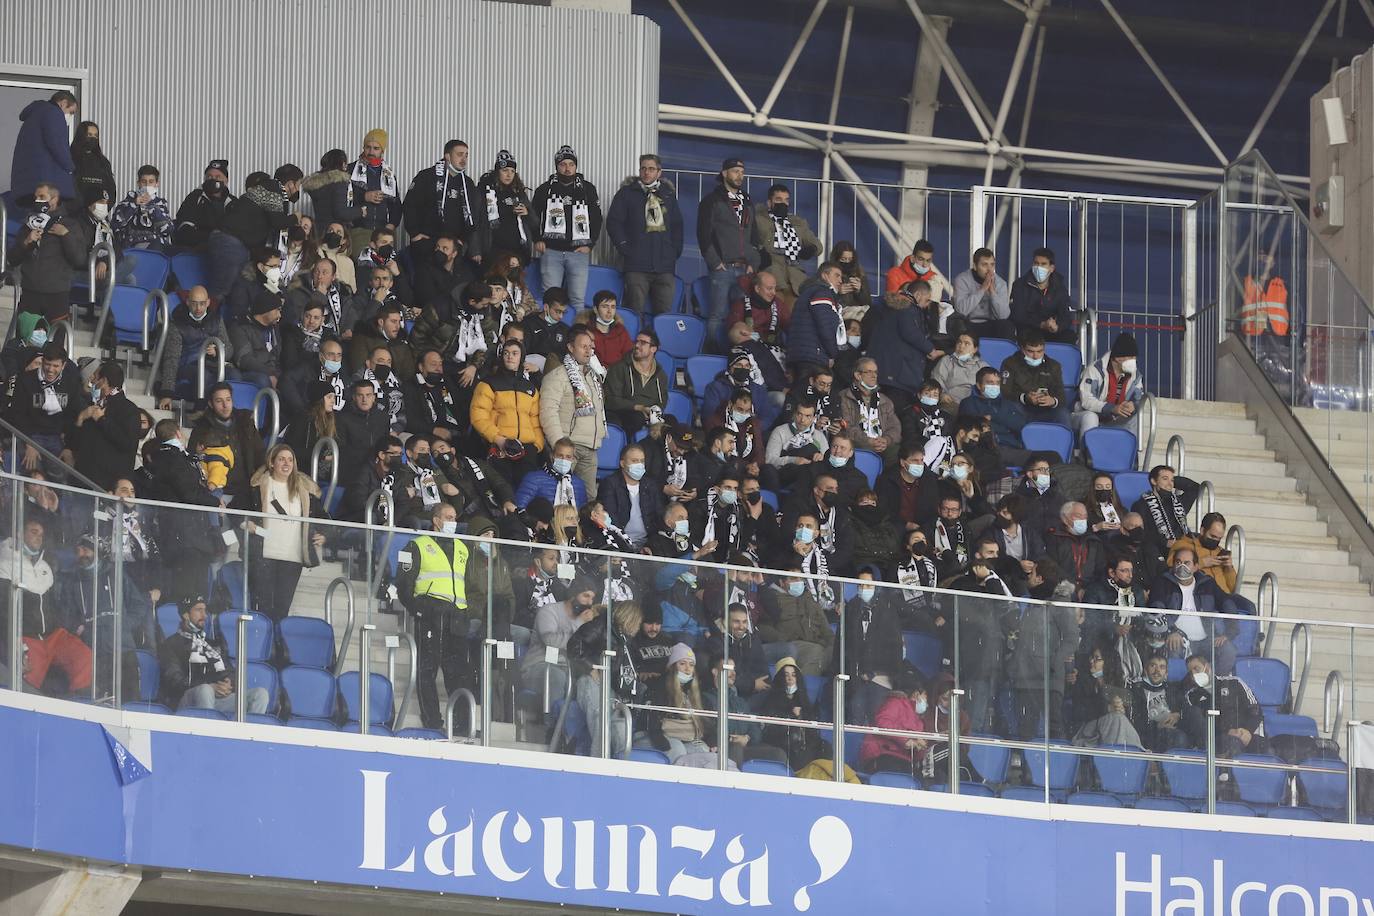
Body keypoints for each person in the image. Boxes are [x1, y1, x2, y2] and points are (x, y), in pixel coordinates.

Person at [394, 503, 473, 730]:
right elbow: (403, 582)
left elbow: (467, 582)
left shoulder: (462, 548)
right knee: (428, 669)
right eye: (448, 517)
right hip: (431, 613)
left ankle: (461, 723)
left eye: (455, 517)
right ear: (436, 521)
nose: (453, 521)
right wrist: (419, 609)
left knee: (457, 673)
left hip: (457, 615)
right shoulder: (417, 544)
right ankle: (432, 721)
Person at [2, 516, 90, 694]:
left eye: (41, 534)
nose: (38, 537)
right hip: (26, 637)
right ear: (19, 534)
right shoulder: (5, 565)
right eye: (34, 532)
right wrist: (16, 644)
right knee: (26, 679)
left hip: (53, 635)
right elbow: (4, 613)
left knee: (84, 657)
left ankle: (79, 709)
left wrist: (73, 625)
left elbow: (55, 608)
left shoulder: (45, 567)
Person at [246, 444, 326, 621]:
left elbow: (325, 518)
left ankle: (277, 647)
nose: (286, 463)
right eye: (281, 459)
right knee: (263, 609)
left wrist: (324, 534)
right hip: (263, 556)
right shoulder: (257, 486)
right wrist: (247, 525)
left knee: (282, 610)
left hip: (292, 558)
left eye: (290, 460)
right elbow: (237, 513)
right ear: (272, 462)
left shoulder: (305, 490)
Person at [947, 536, 1015, 733]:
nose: (993, 558)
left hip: (990, 660)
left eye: (996, 554)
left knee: (984, 713)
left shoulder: (997, 581)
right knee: (970, 715)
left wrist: (991, 579)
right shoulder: (961, 584)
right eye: (989, 553)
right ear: (977, 557)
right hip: (968, 660)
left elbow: (1005, 608)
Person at [159, 596, 268, 715]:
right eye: (198, 610)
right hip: (186, 701)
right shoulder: (171, 644)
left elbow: (230, 672)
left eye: (204, 610)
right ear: (185, 615)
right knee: (205, 690)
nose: (204, 615)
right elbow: (175, 682)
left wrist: (228, 684)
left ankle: (248, 733)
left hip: (217, 699)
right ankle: (206, 731)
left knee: (260, 694)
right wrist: (211, 686)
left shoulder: (212, 643)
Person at [606, 154, 684, 317]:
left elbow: (677, 225)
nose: (646, 172)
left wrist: (674, 251)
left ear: (659, 172)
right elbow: (614, 222)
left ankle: (659, 344)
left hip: (664, 266)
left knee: (664, 316)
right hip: (636, 266)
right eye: (643, 168)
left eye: (651, 169)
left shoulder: (668, 195)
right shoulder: (626, 193)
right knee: (635, 313)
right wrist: (625, 248)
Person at [697, 158, 761, 348]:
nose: (739, 175)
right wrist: (715, 262)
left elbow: (754, 235)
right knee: (718, 315)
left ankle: (737, 355)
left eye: (742, 172)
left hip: (745, 269)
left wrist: (753, 263)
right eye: (735, 171)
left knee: (742, 317)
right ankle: (713, 355)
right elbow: (703, 234)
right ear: (724, 173)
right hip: (722, 268)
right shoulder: (711, 200)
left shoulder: (747, 201)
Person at [1148, 546, 1241, 675]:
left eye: (1187, 563)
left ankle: (1214, 685)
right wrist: (1171, 631)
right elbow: (1156, 609)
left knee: (1228, 650)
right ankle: (1179, 691)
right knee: (1173, 646)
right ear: (1173, 565)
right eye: (1178, 562)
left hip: (1207, 640)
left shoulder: (1207, 583)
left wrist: (1228, 633)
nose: (1182, 566)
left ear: (1196, 566)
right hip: (1179, 640)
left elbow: (1227, 604)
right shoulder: (1163, 583)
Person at [572, 601, 648, 758]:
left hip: (610, 688)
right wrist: (590, 667)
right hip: (590, 680)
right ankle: (600, 765)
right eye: (638, 621)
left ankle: (621, 771)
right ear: (630, 618)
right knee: (600, 717)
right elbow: (574, 645)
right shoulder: (600, 626)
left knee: (621, 725)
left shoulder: (627, 640)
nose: (638, 626)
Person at [539, 329, 607, 497]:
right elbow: (548, 412)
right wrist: (559, 445)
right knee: (558, 495)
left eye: (590, 347)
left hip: (590, 450)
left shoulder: (594, 378)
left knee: (589, 499)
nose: (588, 351)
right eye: (583, 346)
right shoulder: (557, 376)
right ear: (570, 347)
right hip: (567, 449)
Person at [532, 145, 601, 310]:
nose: (567, 168)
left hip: (578, 252)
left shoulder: (587, 189)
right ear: (556, 166)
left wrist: (590, 244)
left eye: (571, 164)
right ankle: (548, 334)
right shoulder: (545, 189)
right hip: (551, 252)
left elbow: (597, 218)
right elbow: (533, 217)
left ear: (576, 166)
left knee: (577, 301)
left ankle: (577, 335)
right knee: (550, 298)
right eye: (563, 164)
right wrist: (537, 239)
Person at [11, 182, 88, 322]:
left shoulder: (70, 224)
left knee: (55, 342)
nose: (38, 201)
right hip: (30, 292)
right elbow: (13, 258)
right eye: (36, 197)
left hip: (57, 294)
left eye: (42, 196)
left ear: (54, 199)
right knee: (25, 340)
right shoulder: (29, 224)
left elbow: (79, 259)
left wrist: (66, 235)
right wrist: (27, 242)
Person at [470, 337, 544, 484]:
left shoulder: (530, 388)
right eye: (506, 353)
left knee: (525, 490)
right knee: (503, 490)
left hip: (527, 448)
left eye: (515, 353)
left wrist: (536, 446)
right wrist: (498, 439)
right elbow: (478, 416)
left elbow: (536, 420)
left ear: (521, 358)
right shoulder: (488, 383)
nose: (510, 356)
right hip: (499, 446)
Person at [208, 173, 294, 300]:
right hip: (231, 244)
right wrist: (295, 218)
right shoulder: (272, 189)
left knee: (236, 290)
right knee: (222, 289)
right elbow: (279, 222)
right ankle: (207, 318)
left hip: (237, 246)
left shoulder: (251, 207)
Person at [402, 139, 485, 262]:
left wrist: (462, 239)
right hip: (427, 243)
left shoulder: (467, 183)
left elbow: (473, 214)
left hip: (454, 248)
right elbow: (410, 205)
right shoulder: (426, 176)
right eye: (459, 154)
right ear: (447, 156)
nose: (464, 159)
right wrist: (414, 233)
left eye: (466, 155)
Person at [521, 575, 601, 703]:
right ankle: (551, 721)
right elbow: (550, 641)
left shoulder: (585, 619)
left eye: (592, 598)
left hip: (569, 669)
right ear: (573, 595)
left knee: (590, 683)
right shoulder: (549, 611)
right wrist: (579, 623)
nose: (590, 603)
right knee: (556, 677)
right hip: (539, 667)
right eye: (586, 596)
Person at [839, 571, 904, 725]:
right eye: (860, 585)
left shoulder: (887, 610)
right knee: (856, 711)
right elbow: (843, 645)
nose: (864, 588)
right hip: (855, 677)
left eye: (868, 584)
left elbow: (894, 648)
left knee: (877, 716)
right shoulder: (852, 608)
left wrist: (875, 672)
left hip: (882, 677)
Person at [156, 286, 237, 408]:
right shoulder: (177, 324)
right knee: (204, 375)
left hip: (212, 364)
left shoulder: (216, 320)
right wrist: (167, 393)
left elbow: (229, 349)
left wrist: (217, 352)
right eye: (194, 304)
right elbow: (171, 359)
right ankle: (200, 409)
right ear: (188, 302)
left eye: (202, 304)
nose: (198, 308)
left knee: (234, 376)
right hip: (186, 366)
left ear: (208, 303)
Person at [188, 382, 266, 505]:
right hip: (214, 491)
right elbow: (193, 461)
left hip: (245, 491)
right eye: (219, 401)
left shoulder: (246, 423)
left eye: (228, 400)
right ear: (211, 404)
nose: (225, 405)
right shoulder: (201, 429)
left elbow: (260, 454)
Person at [7, 342, 84, 461]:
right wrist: (28, 441)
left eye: (55, 366)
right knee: (36, 476)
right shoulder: (26, 380)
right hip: (30, 436)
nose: (50, 370)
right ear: (42, 361)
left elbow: (73, 415)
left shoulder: (71, 384)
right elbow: (17, 414)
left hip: (58, 438)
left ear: (63, 365)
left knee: (62, 474)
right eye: (48, 364)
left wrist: (69, 447)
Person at [71, 361, 141, 491]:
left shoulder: (129, 409)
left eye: (95, 376)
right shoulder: (90, 406)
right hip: (82, 481)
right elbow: (77, 443)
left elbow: (127, 443)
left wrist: (102, 420)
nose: (91, 380)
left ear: (103, 381)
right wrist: (80, 419)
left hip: (109, 486)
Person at [1181, 654, 1264, 757]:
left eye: (1196, 669)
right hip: (1217, 741)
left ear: (1207, 667)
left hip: (1245, 734)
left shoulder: (1234, 682)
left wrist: (1248, 730)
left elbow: (1255, 709)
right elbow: (1200, 727)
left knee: (1268, 746)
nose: (1193, 674)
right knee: (1227, 742)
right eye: (1190, 672)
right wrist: (1228, 732)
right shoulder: (1192, 696)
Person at [757, 569, 834, 676]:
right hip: (787, 644)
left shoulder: (811, 602)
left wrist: (835, 646)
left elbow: (826, 630)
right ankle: (802, 687)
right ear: (782, 582)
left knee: (838, 652)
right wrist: (781, 638)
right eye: (793, 578)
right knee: (816, 651)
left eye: (801, 579)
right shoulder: (772, 599)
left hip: (814, 642)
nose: (798, 582)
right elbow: (763, 626)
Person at [756, 183, 822, 303]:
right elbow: (749, 240)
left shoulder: (797, 222)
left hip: (796, 281)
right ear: (769, 203)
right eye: (778, 199)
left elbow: (818, 245)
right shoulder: (760, 220)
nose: (783, 203)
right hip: (772, 277)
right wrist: (759, 252)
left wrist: (811, 249)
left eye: (786, 200)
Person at [757, 658, 824, 770]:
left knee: (824, 747)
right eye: (786, 675)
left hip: (803, 744)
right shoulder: (770, 700)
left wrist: (800, 716)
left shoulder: (804, 701)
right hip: (783, 743)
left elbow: (812, 730)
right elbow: (770, 730)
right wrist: (792, 717)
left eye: (793, 675)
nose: (790, 679)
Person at [10, 90, 78, 198]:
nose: (70, 116)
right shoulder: (53, 113)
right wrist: (71, 167)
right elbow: (57, 145)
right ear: (64, 103)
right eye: (71, 112)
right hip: (45, 184)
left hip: (26, 183)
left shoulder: (34, 115)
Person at [1129, 463, 1201, 564]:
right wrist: (1165, 542)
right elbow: (1140, 533)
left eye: (1172, 480)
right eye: (1165, 479)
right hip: (1159, 551)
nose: (1170, 484)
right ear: (1153, 481)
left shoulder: (1179, 503)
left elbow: (1195, 487)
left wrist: (1171, 480)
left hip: (1184, 549)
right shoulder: (1141, 505)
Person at [1074, 332, 1144, 437]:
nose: (1134, 361)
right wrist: (1111, 408)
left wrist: (1133, 405)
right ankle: (1088, 452)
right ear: (1118, 358)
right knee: (1091, 417)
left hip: (1114, 420)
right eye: (1130, 357)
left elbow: (1139, 399)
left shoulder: (1135, 375)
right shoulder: (1095, 370)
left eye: (1134, 357)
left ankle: (1132, 452)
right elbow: (1086, 400)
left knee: (1136, 417)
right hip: (1086, 415)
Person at [603, 329, 669, 436]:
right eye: (636, 342)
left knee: (671, 422)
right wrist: (638, 407)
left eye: (642, 343)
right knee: (636, 418)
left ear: (653, 349)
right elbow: (610, 400)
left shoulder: (660, 375)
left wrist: (653, 412)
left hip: (649, 414)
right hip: (624, 413)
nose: (637, 345)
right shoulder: (620, 368)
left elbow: (662, 401)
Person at [786, 262, 845, 379]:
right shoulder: (822, 292)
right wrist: (832, 353)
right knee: (809, 395)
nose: (840, 281)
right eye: (837, 275)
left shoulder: (810, 292)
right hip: (813, 356)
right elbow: (824, 326)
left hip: (803, 354)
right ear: (825, 276)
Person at [1000, 329, 1070, 427]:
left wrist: (1053, 401)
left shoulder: (1054, 366)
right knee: (1011, 408)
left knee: (1062, 413)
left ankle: (1063, 441)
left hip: (1046, 409)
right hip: (1021, 407)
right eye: (1030, 351)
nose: (1035, 356)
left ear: (1044, 349)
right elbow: (1005, 392)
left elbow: (1061, 395)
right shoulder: (1010, 363)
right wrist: (1025, 397)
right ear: (1022, 349)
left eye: (1039, 351)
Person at [346, 128, 401, 253]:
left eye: (376, 148)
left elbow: (396, 204)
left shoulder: (389, 174)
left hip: (384, 230)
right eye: (368, 147)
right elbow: (341, 200)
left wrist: (392, 224)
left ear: (382, 150)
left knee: (385, 268)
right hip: (359, 229)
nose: (371, 152)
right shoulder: (351, 170)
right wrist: (363, 197)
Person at [599, 443, 662, 550]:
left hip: (647, 543)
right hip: (619, 542)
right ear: (622, 463)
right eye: (634, 461)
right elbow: (610, 517)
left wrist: (651, 545)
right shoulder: (610, 484)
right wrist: (624, 543)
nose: (639, 464)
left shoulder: (650, 485)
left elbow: (658, 516)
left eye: (642, 461)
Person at [476, 150, 535, 264]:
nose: (509, 175)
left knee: (515, 281)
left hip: (517, 249)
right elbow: (476, 221)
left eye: (512, 171)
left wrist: (527, 213)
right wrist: (476, 250)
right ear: (497, 172)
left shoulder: (519, 193)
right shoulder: (485, 191)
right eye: (505, 170)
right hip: (493, 249)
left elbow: (534, 222)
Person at [838, 357, 900, 462]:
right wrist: (868, 441)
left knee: (897, 451)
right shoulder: (844, 397)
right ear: (858, 375)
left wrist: (885, 440)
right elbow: (846, 426)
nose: (874, 375)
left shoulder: (885, 400)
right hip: (856, 443)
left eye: (875, 372)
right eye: (869, 372)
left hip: (881, 444)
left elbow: (895, 427)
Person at [1009, 247, 1076, 343]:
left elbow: (1066, 316)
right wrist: (1040, 324)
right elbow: (1018, 315)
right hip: (1029, 329)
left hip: (1051, 330)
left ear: (1051, 268)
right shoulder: (1020, 285)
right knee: (1026, 334)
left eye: (1043, 264)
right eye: (1036, 263)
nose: (1038, 267)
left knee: (1069, 336)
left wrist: (1057, 327)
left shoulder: (1060, 289)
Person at [959, 366, 1029, 455]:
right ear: (979, 385)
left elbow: (1020, 425)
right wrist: (1005, 420)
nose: (994, 386)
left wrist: (991, 418)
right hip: (987, 451)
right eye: (990, 383)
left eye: (997, 383)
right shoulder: (968, 403)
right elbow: (976, 428)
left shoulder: (1008, 404)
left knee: (1045, 458)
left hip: (1012, 448)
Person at [1129, 653, 1189, 753]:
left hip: (1172, 731)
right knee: (1179, 737)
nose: (1157, 671)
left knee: (1180, 736)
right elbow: (1135, 722)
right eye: (1153, 666)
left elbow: (1186, 710)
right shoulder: (1136, 691)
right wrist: (1157, 726)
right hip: (1149, 734)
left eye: (1162, 667)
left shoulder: (1173, 690)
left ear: (1166, 673)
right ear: (1145, 670)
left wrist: (1178, 715)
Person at [1044, 501, 1104, 599]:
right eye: (1078, 516)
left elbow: (1100, 569)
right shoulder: (1053, 537)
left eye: (1085, 516)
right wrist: (1076, 588)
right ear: (1065, 518)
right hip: (1061, 588)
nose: (1083, 520)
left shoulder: (1094, 541)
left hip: (1089, 591)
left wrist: (1089, 590)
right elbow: (1052, 567)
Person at [765, 400, 829, 490]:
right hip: (786, 475)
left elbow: (827, 463)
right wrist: (794, 460)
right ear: (794, 414)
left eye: (808, 416)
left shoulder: (819, 436)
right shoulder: (780, 431)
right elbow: (770, 460)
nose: (802, 420)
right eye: (800, 414)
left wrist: (821, 457)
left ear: (814, 418)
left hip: (810, 477)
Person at [952, 247, 1014, 340]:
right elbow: (961, 310)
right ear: (975, 266)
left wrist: (992, 292)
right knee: (956, 323)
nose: (989, 270)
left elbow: (1003, 315)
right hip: (969, 323)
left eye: (992, 265)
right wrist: (982, 289)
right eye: (984, 265)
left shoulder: (1000, 283)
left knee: (1007, 326)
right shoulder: (962, 280)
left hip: (991, 324)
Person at [109, 164, 174, 251]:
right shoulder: (127, 202)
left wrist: (151, 207)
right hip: (133, 246)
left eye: (151, 182)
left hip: (157, 247)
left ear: (156, 184)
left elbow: (168, 230)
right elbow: (115, 225)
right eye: (144, 182)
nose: (147, 185)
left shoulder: (160, 204)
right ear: (138, 183)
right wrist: (134, 204)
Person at [173, 159, 234, 249]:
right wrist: (211, 237)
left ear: (226, 180)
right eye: (209, 176)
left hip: (225, 250)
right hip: (196, 249)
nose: (213, 180)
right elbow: (184, 229)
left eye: (218, 177)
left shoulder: (233, 202)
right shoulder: (194, 198)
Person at [229, 290, 283, 389]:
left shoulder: (274, 328)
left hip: (272, 372)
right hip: (249, 373)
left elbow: (277, 356)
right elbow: (244, 360)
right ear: (266, 310)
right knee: (263, 380)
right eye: (277, 310)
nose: (280, 315)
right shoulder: (241, 327)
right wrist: (270, 373)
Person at [514, 438, 588, 509]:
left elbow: (582, 513)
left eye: (568, 457)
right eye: (560, 455)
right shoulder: (533, 479)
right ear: (552, 456)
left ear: (573, 459)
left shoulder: (579, 484)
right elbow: (520, 508)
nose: (564, 459)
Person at [303, 149, 364, 235]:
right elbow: (340, 212)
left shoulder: (316, 185)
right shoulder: (339, 182)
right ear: (343, 164)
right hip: (336, 231)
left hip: (319, 230)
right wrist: (360, 211)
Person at [728, 270, 791, 349]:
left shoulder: (779, 304)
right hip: (749, 346)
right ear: (757, 288)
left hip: (773, 348)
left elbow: (790, 325)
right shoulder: (741, 304)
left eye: (775, 288)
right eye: (769, 288)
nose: (774, 293)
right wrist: (743, 331)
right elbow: (736, 327)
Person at [223, 246, 283, 326]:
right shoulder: (243, 285)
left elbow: (289, 315)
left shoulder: (279, 286)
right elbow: (238, 316)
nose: (277, 270)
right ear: (261, 267)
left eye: (278, 266)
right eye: (273, 266)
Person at [930, 332, 990, 410]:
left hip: (975, 404)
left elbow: (990, 386)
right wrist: (942, 394)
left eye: (967, 344)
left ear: (975, 349)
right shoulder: (947, 361)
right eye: (959, 342)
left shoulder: (982, 366)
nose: (961, 346)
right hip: (951, 402)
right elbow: (936, 380)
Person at [886, 238, 953, 300]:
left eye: (928, 260)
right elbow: (892, 303)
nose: (924, 264)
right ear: (912, 258)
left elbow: (934, 308)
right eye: (921, 259)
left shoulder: (934, 278)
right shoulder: (895, 274)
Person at [585, 290, 632, 367]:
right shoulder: (586, 331)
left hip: (617, 376)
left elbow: (629, 358)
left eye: (613, 307)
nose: (609, 311)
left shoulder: (621, 331)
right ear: (595, 309)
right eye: (605, 306)